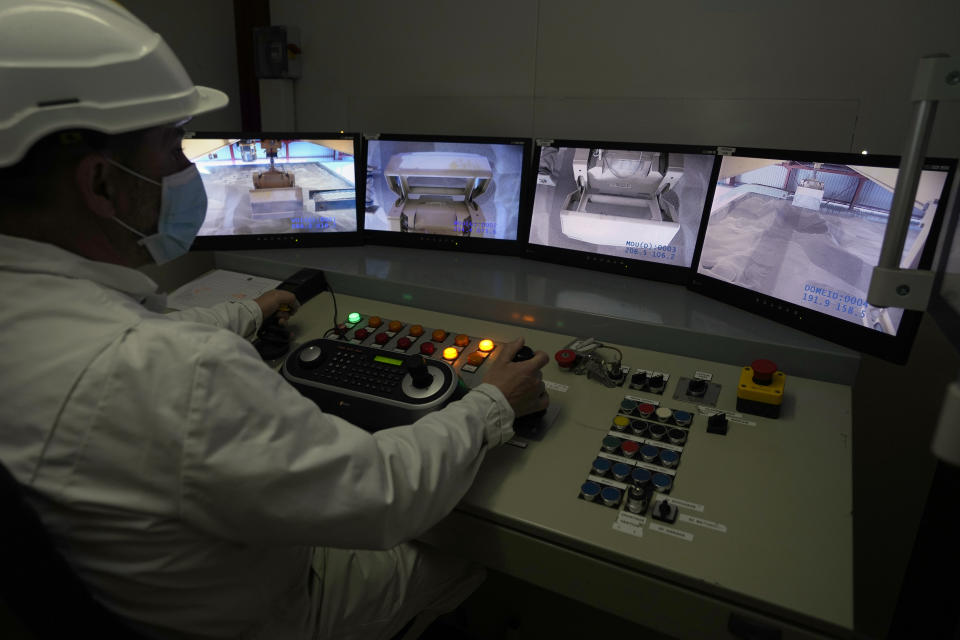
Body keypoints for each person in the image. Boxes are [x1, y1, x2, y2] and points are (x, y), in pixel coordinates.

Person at [0, 1, 550, 638]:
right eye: (172, 147)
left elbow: (131, 342)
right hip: (271, 612)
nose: (186, 169)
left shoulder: (45, 316)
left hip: (144, 599)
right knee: (461, 549)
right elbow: (383, 496)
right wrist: (491, 404)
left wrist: (245, 310)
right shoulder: (177, 373)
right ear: (101, 185)